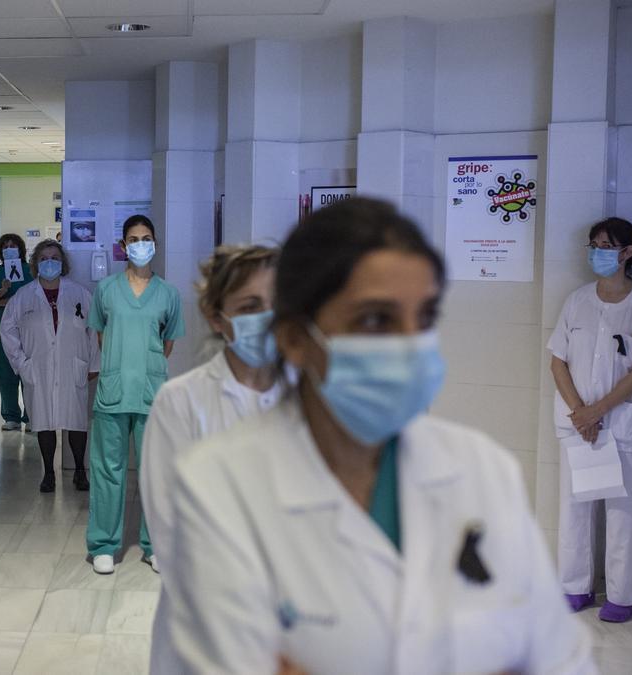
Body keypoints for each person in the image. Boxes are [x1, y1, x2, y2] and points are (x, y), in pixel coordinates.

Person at [162, 197, 593, 674]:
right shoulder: (219, 487)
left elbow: (561, 658)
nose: (409, 345)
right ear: (295, 338)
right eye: (375, 319)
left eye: (424, 318)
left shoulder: (483, 468)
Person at [142, 244, 282, 571]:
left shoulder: (313, 397)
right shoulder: (180, 401)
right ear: (216, 317)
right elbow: (169, 526)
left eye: (278, 304)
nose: (268, 318)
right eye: (250, 307)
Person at [549, 217, 632, 624]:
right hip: (578, 424)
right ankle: (574, 587)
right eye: (593, 244)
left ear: (627, 252)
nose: (597, 251)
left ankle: (622, 596)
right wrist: (581, 411)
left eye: (605, 245)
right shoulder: (577, 300)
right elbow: (557, 359)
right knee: (574, 510)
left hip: (624, 426)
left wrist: (598, 410)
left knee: (625, 514)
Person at [85, 214, 183, 575]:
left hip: (151, 392)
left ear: (154, 243)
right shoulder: (107, 290)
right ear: (123, 246)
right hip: (113, 390)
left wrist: (145, 365)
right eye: (134, 239)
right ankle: (103, 545)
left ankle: (155, 545)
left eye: (146, 237)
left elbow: (168, 342)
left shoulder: (169, 293)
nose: (140, 244)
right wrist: (122, 363)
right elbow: (101, 336)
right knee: (107, 471)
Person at [0, 239, 99, 492]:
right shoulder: (23, 296)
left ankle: (80, 471)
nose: (49, 262)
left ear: (62, 262)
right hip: (38, 368)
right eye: (43, 258)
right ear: (35, 264)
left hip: (73, 366)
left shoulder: (79, 294)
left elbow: (94, 329)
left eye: (54, 257)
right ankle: (49, 473)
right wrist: (22, 364)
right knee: (43, 421)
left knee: (76, 421)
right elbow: (7, 330)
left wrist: (93, 363)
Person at [0, 234, 33, 431]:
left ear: (20, 249)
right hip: (2, 326)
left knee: (29, 369)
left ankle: (32, 415)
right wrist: (2, 292)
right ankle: (11, 415)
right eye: (5, 246)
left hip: (29, 326)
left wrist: (10, 302)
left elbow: (36, 296)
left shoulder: (30, 270)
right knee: (5, 371)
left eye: (13, 246)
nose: (9, 249)